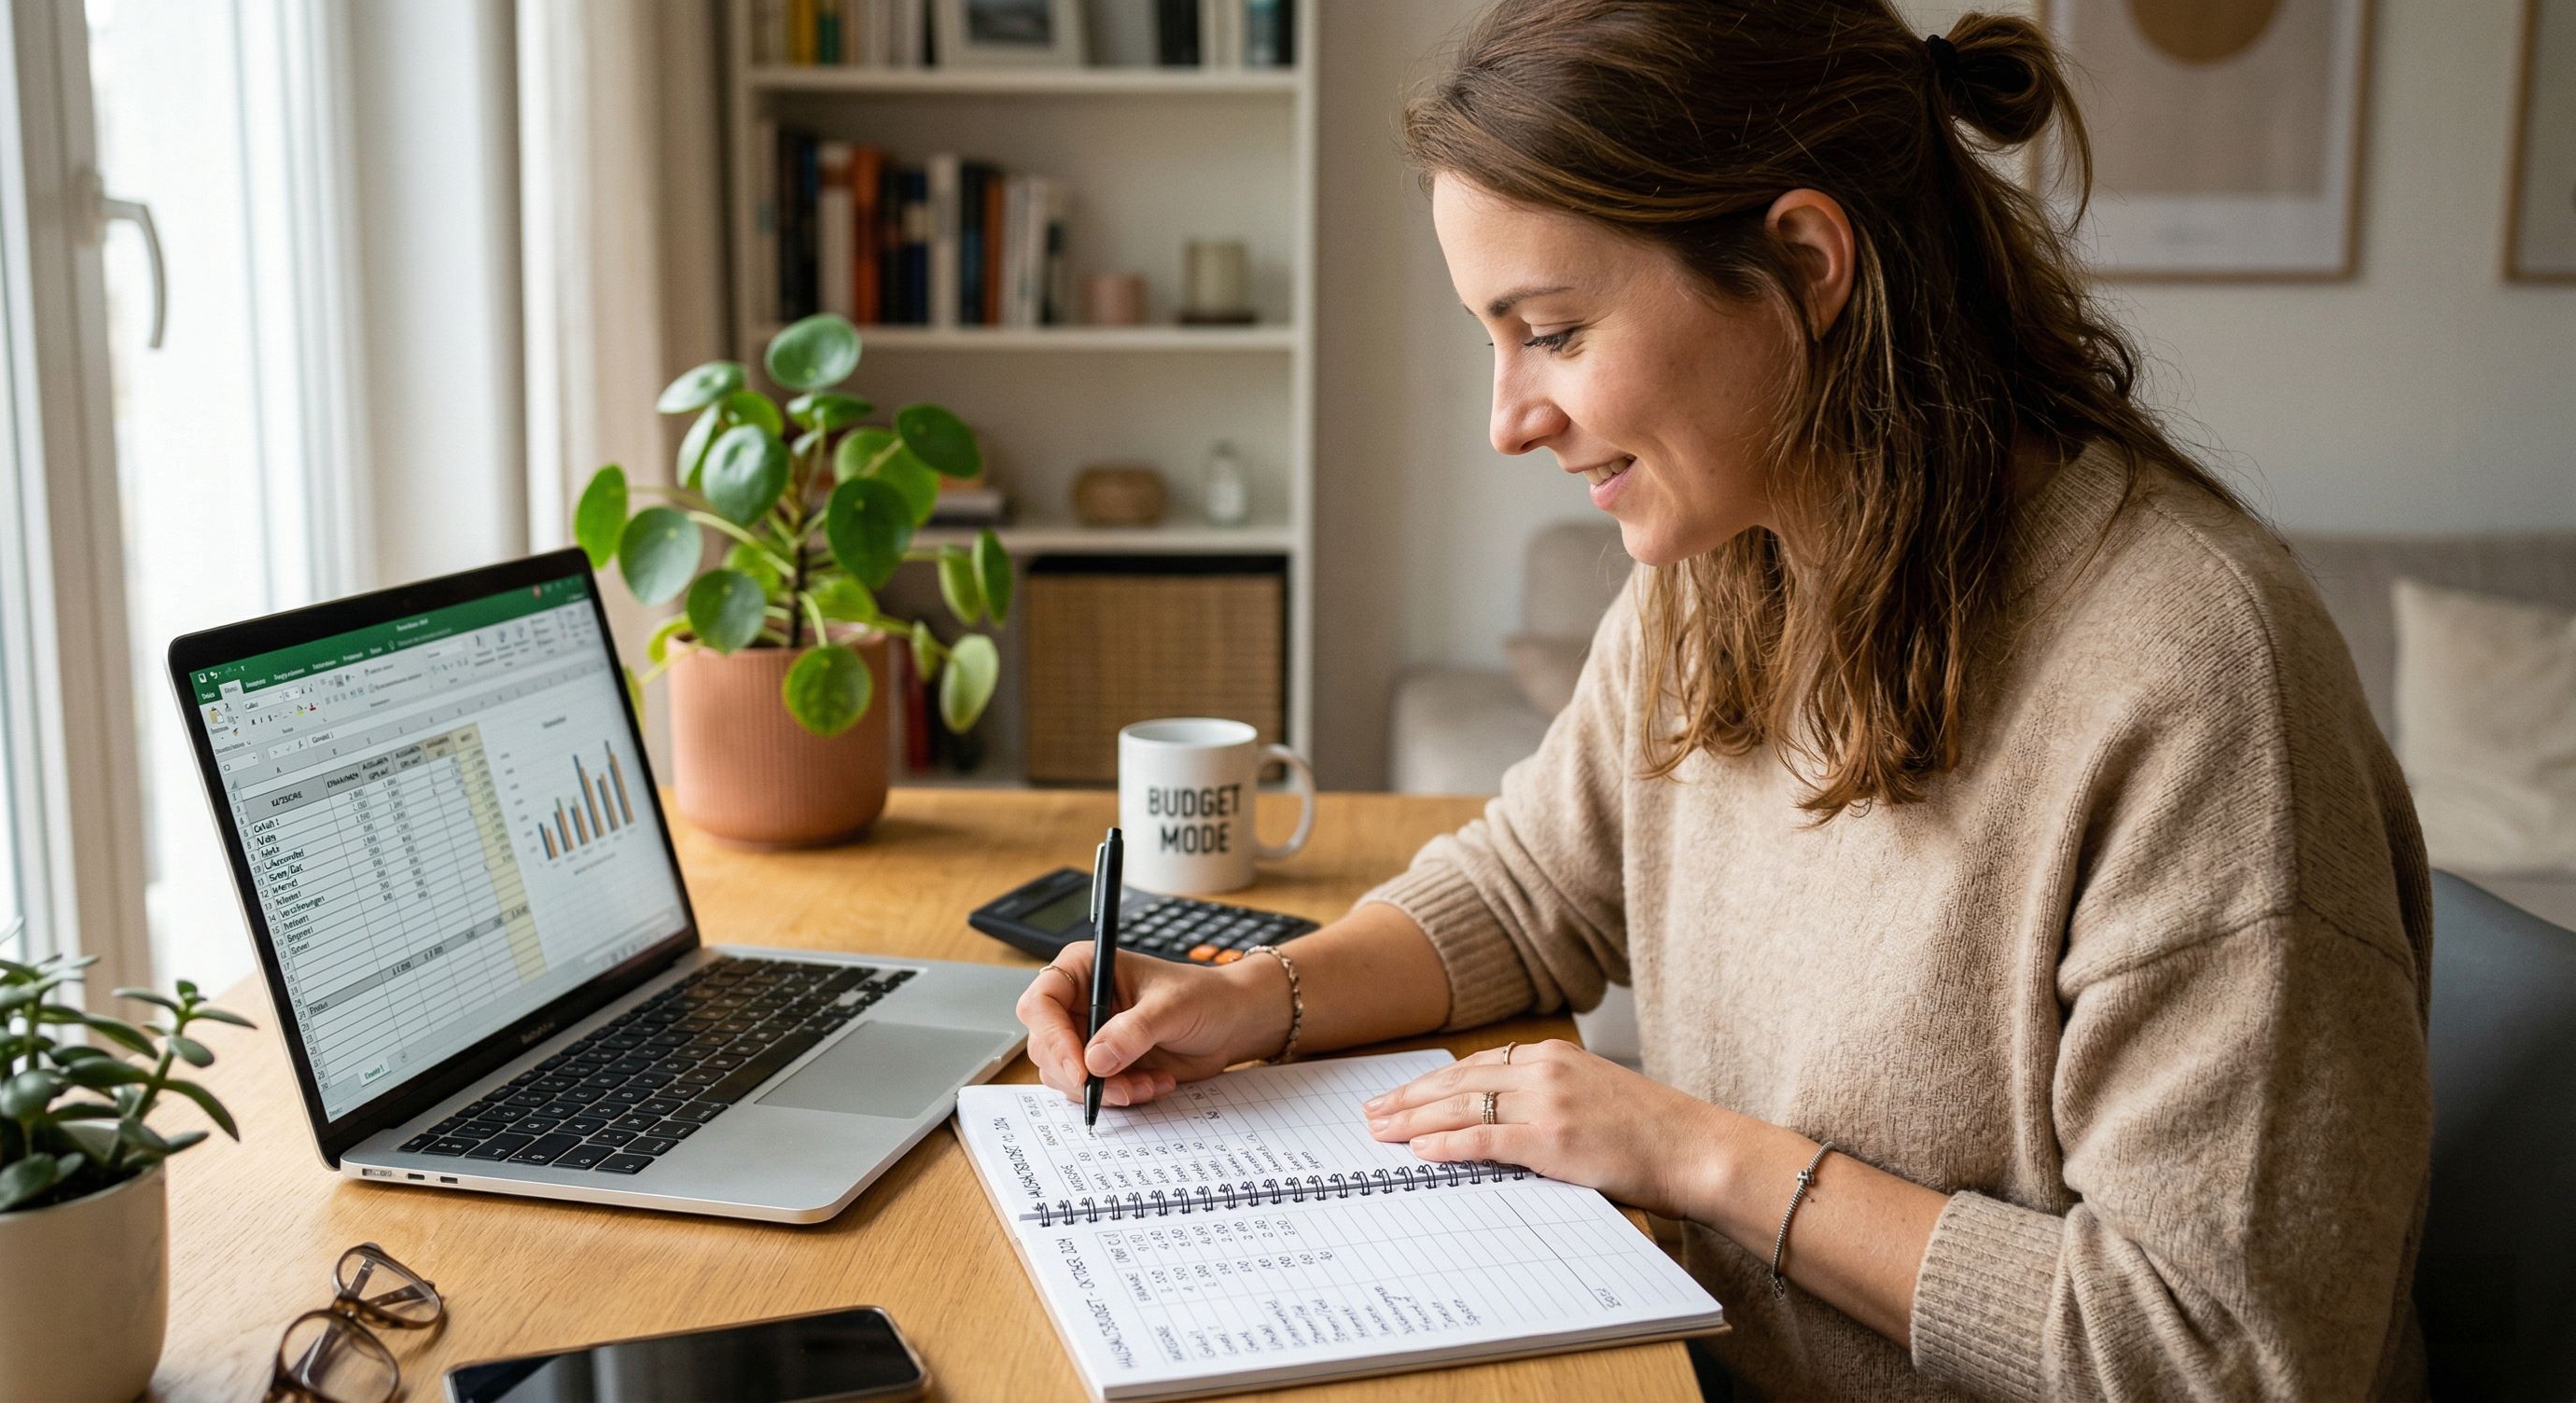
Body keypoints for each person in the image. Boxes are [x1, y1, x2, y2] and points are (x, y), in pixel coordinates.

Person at [1016, 2, 2433, 1396]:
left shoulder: (2195, 676)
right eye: (1493, 340)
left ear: (1804, 265)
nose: (1507, 419)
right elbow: (1534, 888)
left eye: (1553, 331)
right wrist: (1247, 1001)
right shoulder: (1729, 558)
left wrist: (1692, 1153)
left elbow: (2216, 1355)